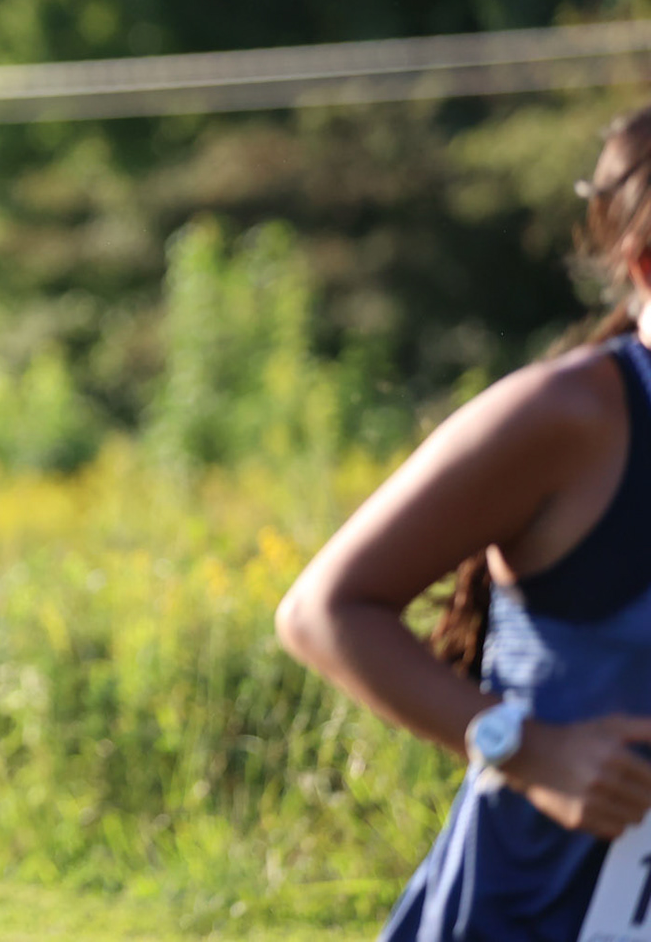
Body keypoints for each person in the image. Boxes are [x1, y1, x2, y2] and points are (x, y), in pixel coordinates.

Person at [278, 103, 651, 940]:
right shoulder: (571, 418)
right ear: (644, 262)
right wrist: (528, 750)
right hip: (525, 913)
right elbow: (321, 611)